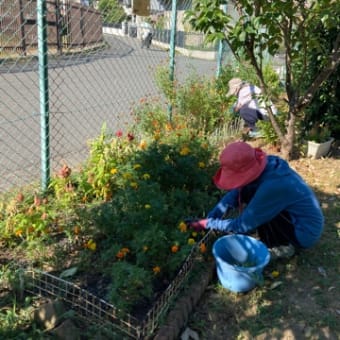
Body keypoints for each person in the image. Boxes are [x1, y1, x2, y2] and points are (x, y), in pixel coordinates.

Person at [187, 141, 324, 258]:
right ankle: (274, 237)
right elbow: (237, 191)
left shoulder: (273, 187)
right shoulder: (266, 164)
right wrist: (216, 211)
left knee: (257, 211)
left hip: (303, 232)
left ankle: (284, 246)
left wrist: (208, 223)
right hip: (296, 218)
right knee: (250, 193)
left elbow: (241, 226)